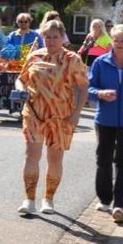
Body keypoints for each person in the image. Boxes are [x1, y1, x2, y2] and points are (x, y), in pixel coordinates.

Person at [15, 19, 88, 215]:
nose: (51, 41)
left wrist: (77, 113)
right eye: (47, 37)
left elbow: (83, 88)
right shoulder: (34, 56)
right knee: (31, 154)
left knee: (54, 158)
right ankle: (29, 199)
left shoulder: (72, 59)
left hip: (61, 117)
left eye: (55, 37)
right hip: (34, 113)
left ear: (62, 38)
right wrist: (20, 90)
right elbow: (21, 79)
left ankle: (48, 199)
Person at [87, 23, 123, 223]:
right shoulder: (101, 62)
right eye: (116, 40)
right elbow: (89, 89)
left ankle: (120, 204)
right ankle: (105, 199)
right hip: (105, 120)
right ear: (111, 41)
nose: (119, 44)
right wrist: (100, 93)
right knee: (103, 159)